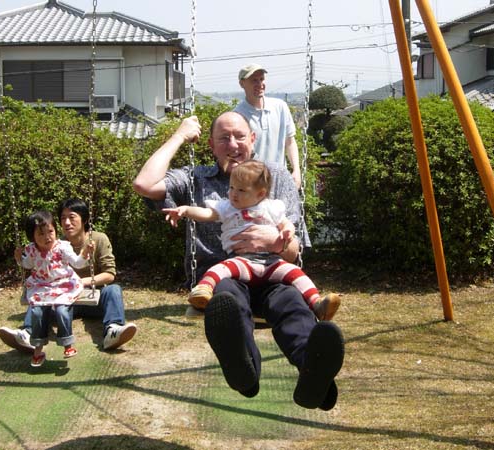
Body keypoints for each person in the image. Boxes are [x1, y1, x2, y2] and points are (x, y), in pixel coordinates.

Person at [133, 111, 344, 410]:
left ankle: (313, 371)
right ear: (211, 145)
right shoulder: (196, 178)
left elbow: (294, 248)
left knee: (293, 305)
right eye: (223, 138)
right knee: (229, 304)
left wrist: (275, 240)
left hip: (272, 270)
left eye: (240, 136)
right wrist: (179, 135)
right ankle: (244, 370)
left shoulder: (274, 177)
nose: (233, 144)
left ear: (253, 139)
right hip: (225, 277)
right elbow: (143, 184)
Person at [162, 160, 339, 321]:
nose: (233, 194)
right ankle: (203, 291)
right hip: (242, 261)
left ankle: (317, 304)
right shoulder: (227, 207)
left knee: (296, 273)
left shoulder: (271, 207)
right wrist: (185, 210)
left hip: (271, 262)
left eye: (241, 190)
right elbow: (207, 214)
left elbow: (287, 224)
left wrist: (287, 231)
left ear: (260, 194)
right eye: (231, 188)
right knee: (220, 269)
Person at [0, 198, 137, 354]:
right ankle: (27, 334)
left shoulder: (98, 239)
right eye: (63, 218)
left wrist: (81, 282)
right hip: (61, 303)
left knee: (113, 290)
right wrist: (22, 259)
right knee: (39, 294)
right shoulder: (53, 243)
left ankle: (113, 330)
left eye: (72, 217)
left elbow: (110, 274)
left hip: (92, 299)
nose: (67, 222)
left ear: (84, 219)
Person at [15, 210, 93, 367]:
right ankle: (38, 348)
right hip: (41, 286)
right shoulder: (31, 250)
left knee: (61, 310)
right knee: (36, 312)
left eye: (50, 231)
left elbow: (77, 263)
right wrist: (19, 258)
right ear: (32, 237)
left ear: (56, 231)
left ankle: (67, 344)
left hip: (63, 284)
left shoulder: (62, 247)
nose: (47, 237)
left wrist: (84, 254)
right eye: (41, 234)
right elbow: (27, 265)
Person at [234, 63, 302, 189]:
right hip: (252, 185)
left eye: (261, 79)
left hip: (280, 181)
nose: (260, 84)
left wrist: (296, 170)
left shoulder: (280, 107)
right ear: (242, 84)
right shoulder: (238, 116)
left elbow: (290, 141)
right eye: (254, 80)